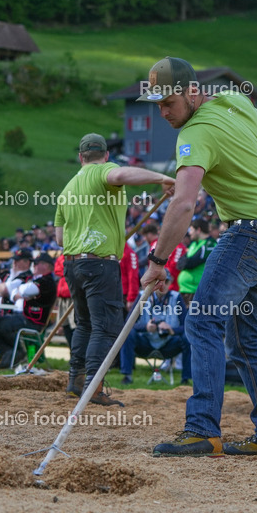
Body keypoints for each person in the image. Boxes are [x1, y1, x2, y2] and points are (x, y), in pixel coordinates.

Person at [138, 56, 257, 462]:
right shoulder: (232, 99)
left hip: (249, 233)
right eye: (156, 104)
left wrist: (158, 260)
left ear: (192, 92)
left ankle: (202, 429)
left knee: (203, 320)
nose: (163, 112)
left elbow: (185, 204)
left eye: (168, 102)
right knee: (243, 339)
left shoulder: (194, 133)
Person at [55, 132, 175, 406]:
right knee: (106, 327)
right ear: (106, 156)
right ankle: (93, 388)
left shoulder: (67, 189)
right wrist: (162, 178)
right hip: (99, 262)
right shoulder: (104, 172)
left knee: (85, 324)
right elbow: (120, 177)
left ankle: (76, 381)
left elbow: (60, 239)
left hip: (72, 264)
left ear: (80, 157)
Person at [0, 253, 57, 366]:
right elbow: (13, 293)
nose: (34, 265)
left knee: (1, 324)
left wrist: (19, 290)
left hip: (32, 321)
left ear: (46, 266)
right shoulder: (36, 279)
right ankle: (8, 352)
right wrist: (19, 291)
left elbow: (23, 290)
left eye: (36, 263)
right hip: (23, 316)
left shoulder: (47, 281)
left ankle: (17, 351)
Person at [119, 272, 186, 384]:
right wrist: (146, 327)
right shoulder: (143, 296)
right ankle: (127, 376)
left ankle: (186, 379)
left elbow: (187, 326)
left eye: (166, 281)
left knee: (188, 337)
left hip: (168, 343)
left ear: (170, 283)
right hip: (146, 342)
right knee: (128, 333)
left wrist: (172, 330)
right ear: (153, 283)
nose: (163, 285)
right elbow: (128, 324)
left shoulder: (176, 297)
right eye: (159, 282)